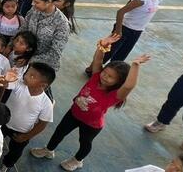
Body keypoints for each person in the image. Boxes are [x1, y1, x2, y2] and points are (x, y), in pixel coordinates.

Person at [30, 37, 151, 172]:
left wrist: (135, 65)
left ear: (118, 82)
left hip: (91, 124)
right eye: (105, 72)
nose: (104, 76)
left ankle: (78, 160)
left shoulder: (115, 95)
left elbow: (129, 85)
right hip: (74, 113)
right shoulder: (95, 77)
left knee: (85, 143)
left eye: (110, 77)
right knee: (59, 131)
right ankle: (49, 149)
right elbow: (98, 60)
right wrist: (102, 47)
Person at [83, 0, 175, 75]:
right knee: (108, 52)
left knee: (121, 55)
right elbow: (121, 12)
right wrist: (118, 31)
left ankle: (110, 74)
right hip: (124, 28)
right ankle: (91, 69)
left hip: (137, 31)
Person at [0, 62, 55, 172]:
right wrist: (7, 78)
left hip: (22, 132)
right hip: (3, 123)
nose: (26, 76)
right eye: (27, 72)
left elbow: (42, 124)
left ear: (43, 85)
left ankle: (6, 165)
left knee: (15, 152)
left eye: (32, 76)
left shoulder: (46, 103)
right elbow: (3, 84)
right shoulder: (19, 84)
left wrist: (26, 136)